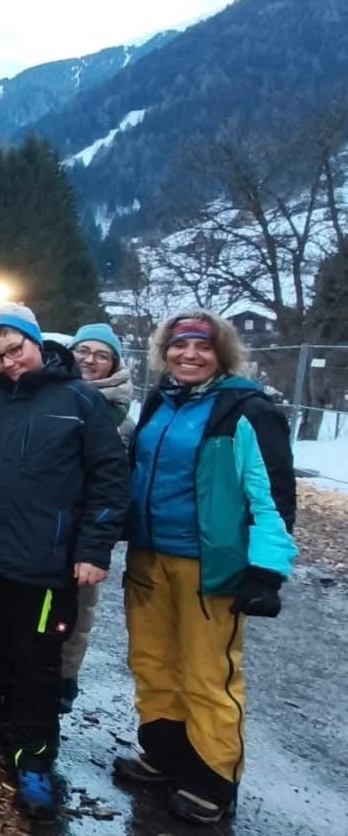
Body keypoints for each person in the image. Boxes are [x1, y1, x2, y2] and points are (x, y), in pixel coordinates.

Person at [0, 303, 129, 820]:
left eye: (17, 350)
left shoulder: (77, 399)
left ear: (37, 343)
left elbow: (109, 478)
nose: (10, 362)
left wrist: (93, 548)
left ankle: (32, 757)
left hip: (43, 563)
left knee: (37, 666)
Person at [113, 311, 296, 825]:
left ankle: (213, 777)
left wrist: (267, 570)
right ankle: (165, 753)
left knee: (208, 671)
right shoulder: (161, 401)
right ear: (164, 351)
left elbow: (272, 495)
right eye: (180, 345)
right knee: (152, 660)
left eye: (203, 347)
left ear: (222, 353)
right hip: (149, 554)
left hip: (208, 564)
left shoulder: (245, 410)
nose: (189, 355)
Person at [60, 321, 135, 712]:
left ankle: (62, 685)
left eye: (101, 355)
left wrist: (96, 542)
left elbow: (114, 488)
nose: (90, 360)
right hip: (41, 529)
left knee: (75, 615)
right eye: (83, 351)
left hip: (84, 535)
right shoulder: (52, 396)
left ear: (114, 364)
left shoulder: (120, 420)